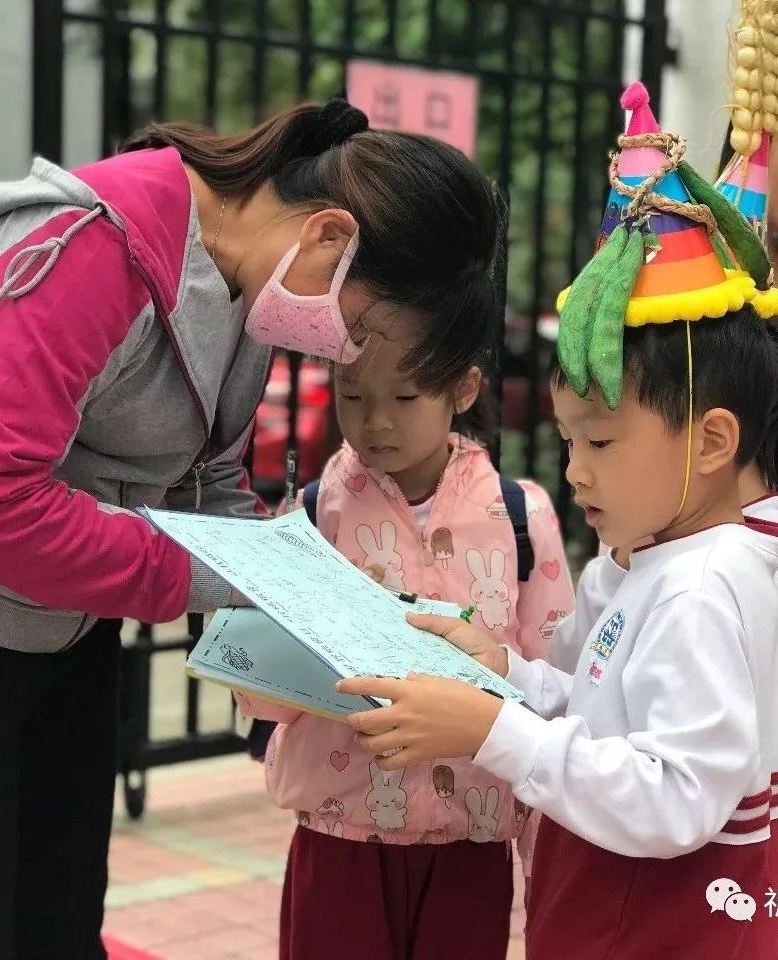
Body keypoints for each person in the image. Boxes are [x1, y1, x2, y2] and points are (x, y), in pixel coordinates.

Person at [0, 97, 507, 959]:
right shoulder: (94, 248)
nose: (339, 349)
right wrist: (211, 572)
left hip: (62, 615)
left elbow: (207, 473)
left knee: (59, 918)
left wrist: (307, 584)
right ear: (330, 239)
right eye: (359, 327)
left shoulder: (247, 283)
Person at [339, 84, 778, 960]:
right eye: (569, 439)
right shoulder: (663, 553)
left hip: (654, 927)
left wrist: (491, 733)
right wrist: (505, 674)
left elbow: (672, 796)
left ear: (715, 438)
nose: (574, 470)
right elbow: (604, 711)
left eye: (603, 442)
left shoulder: (699, 585)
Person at [237, 330, 574, 959]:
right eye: (353, 395)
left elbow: (551, 689)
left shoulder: (520, 518)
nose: (376, 420)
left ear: (462, 390)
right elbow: (260, 698)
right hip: (340, 835)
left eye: (405, 395)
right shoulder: (310, 518)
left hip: (470, 841)